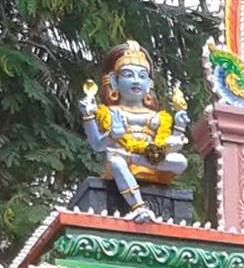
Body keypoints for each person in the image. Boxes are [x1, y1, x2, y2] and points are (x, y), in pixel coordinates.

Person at [79, 41, 189, 220]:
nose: (136, 81)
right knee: (115, 161)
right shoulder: (109, 112)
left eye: (142, 76)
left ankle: (136, 159)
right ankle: (139, 207)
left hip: (152, 163)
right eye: (129, 75)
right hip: (122, 163)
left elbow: (168, 146)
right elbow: (98, 145)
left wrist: (179, 128)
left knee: (181, 161)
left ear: (149, 84)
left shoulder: (159, 117)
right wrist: (94, 121)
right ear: (114, 81)